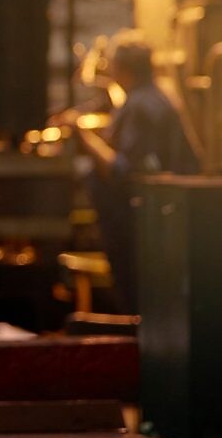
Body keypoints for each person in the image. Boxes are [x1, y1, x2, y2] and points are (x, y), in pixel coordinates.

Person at [57, 31, 201, 313]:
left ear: (122, 68)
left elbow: (122, 171)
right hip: (162, 220)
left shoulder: (139, 106)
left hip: (137, 223)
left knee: (137, 298)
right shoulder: (159, 96)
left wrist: (83, 135)